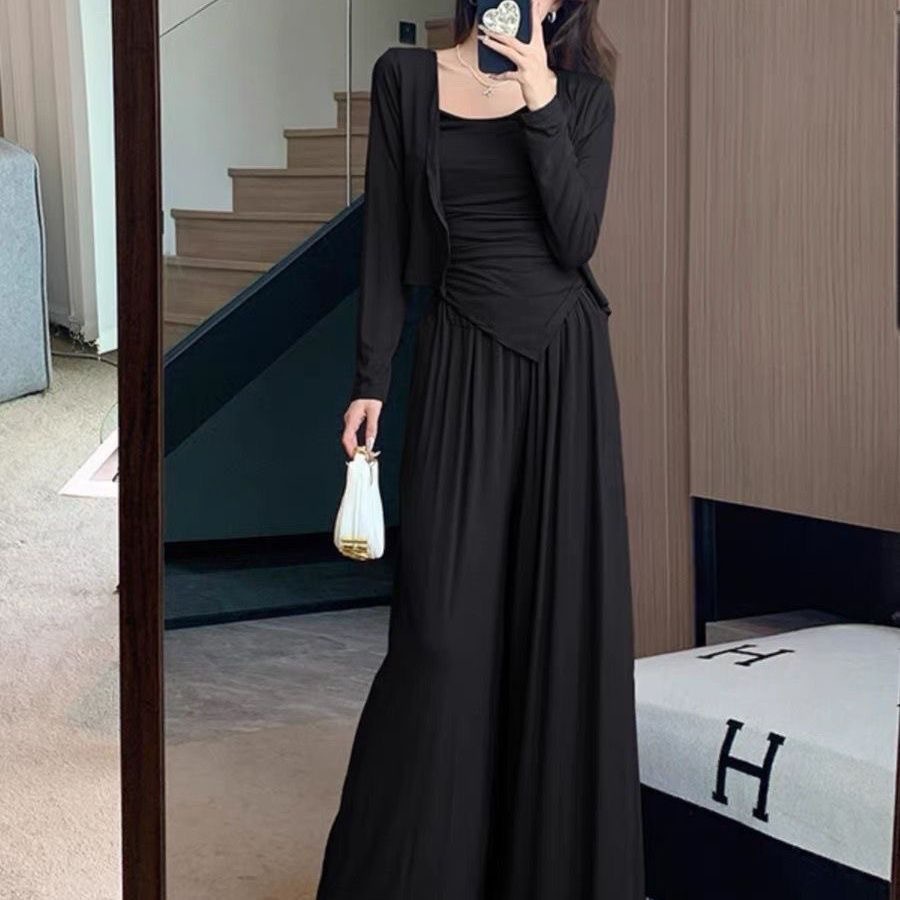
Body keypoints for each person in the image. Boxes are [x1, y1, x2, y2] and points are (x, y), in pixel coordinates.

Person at [317, 1, 644, 896]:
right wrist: (371, 376)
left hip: (564, 374)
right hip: (460, 356)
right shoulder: (405, 79)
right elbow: (387, 236)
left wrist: (540, 97)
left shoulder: (583, 98)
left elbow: (575, 238)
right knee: (440, 635)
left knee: (554, 631)